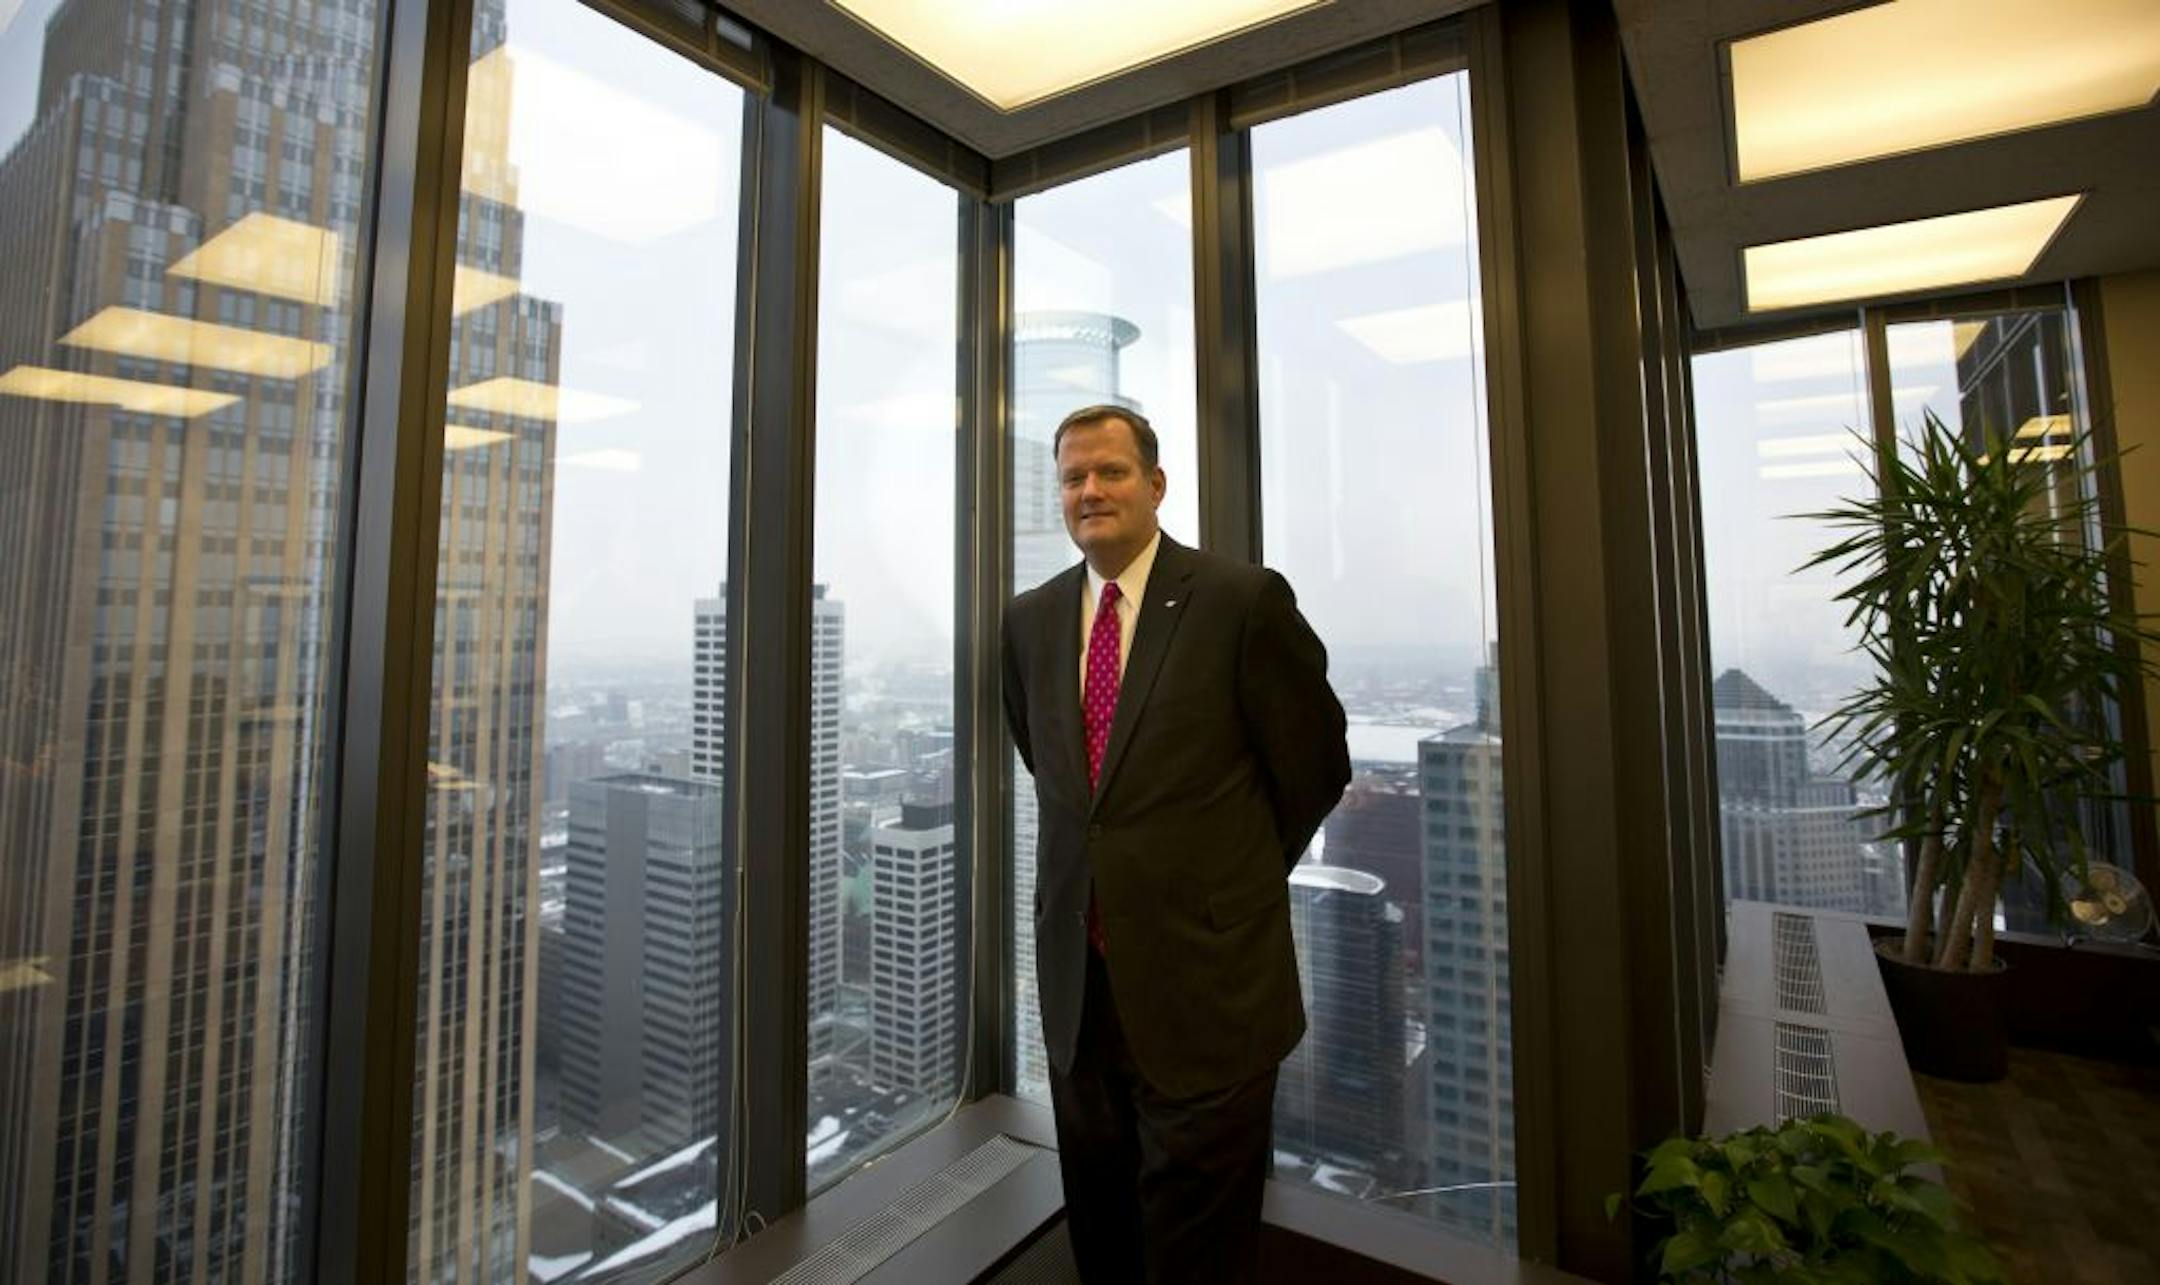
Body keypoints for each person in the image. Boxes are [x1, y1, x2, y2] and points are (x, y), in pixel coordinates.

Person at [1002, 404, 1350, 1283]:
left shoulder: (1240, 602)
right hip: (1083, 999)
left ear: (1155, 484)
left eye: (1111, 471)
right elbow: (1070, 788)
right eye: (1073, 477)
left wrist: (1224, 886)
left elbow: (1314, 767)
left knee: (1197, 1261)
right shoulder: (1030, 621)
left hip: (1211, 995)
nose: (1090, 490)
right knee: (1104, 1245)